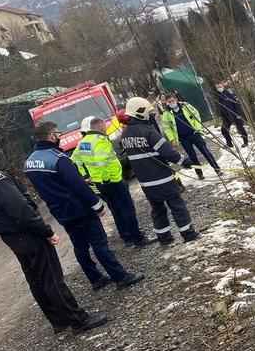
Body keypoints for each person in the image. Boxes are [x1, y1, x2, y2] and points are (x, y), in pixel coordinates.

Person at [0, 133, 108, 335]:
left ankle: (57, 321)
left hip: (10, 237)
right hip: (28, 233)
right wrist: (46, 231)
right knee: (52, 278)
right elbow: (21, 210)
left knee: (35, 279)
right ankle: (78, 320)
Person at [24, 122, 145, 291]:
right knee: (99, 243)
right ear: (52, 136)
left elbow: (53, 185)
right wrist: (97, 205)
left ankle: (95, 279)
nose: (59, 136)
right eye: (57, 133)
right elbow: (77, 186)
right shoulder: (58, 158)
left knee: (79, 245)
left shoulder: (30, 162)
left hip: (60, 211)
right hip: (79, 209)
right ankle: (120, 276)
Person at [121, 97, 199, 244]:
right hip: (163, 178)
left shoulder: (125, 134)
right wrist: (185, 162)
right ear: (140, 112)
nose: (152, 115)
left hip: (145, 183)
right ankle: (188, 234)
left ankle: (164, 237)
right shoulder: (149, 131)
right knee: (177, 206)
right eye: (149, 112)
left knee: (157, 210)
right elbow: (168, 152)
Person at [72, 116, 151, 247]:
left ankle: (127, 238)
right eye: (105, 127)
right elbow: (102, 162)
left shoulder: (83, 142)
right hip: (112, 181)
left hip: (98, 183)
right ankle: (137, 238)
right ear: (101, 127)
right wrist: (107, 179)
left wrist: (85, 175)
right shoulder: (101, 141)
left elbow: (75, 161)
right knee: (127, 208)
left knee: (115, 209)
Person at [160, 93, 221, 180]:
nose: (171, 103)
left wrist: (198, 128)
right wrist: (172, 139)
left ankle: (217, 168)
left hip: (194, 133)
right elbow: (167, 128)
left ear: (176, 100)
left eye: (172, 100)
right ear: (167, 102)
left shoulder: (186, 106)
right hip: (183, 138)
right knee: (192, 156)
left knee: (205, 151)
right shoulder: (166, 113)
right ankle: (199, 173)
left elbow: (196, 115)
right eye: (169, 102)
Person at [216, 83, 249, 148]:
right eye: (217, 87)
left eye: (220, 86)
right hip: (227, 116)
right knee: (224, 130)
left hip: (235, 115)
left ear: (223, 86)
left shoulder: (229, 94)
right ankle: (229, 143)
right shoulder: (219, 96)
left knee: (240, 129)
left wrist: (238, 114)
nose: (219, 88)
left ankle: (245, 142)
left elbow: (237, 104)